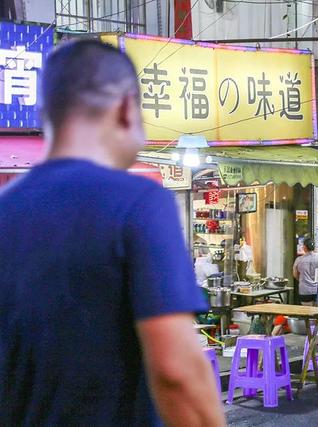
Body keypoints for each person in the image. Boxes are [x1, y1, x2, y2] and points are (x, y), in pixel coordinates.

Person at [0, 41, 225, 425]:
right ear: (125, 108)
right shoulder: (140, 201)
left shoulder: (6, 209)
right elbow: (176, 372)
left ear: (48, 114)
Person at [293, 237, 318, 306]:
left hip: (304, 291)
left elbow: (295, 275)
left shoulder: (299, 260)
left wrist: (302, 279)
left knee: (307, 313)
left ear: (304, 247)